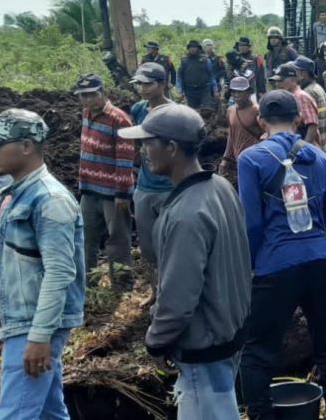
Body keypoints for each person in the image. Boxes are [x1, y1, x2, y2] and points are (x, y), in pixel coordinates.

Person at [119, 104, 250, 420]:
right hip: (230, 333)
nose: (143, 151)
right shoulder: (219, 187)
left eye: (149, 143)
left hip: (203, 347)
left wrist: (157, 342)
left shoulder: (186, 215)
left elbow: (178, 297)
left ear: (172, 148)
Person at [237, 90, 326, 420]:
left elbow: (251, 222)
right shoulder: (323, 159)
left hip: (274, 263)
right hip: (316, 260)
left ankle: (260, 415)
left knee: (257, 352)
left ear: (260, 121)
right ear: (298, 119)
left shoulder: (251, 159)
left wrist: (252, 265)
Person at [0, 109, 85, 419]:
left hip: (34, 322)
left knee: (15, 414)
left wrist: (38, 336)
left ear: (26, 146)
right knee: (50, 413)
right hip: (22, 320)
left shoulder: (50, 200)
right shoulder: (13, 193)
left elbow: (59, 273)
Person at [74, 74, 135, 283]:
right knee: (85, 237)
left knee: (117, 240)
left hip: (113, 193)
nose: (88, 100)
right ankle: (87, 281)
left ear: (103, 93)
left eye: (92, 95)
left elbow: (125, 161)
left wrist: (122, 194)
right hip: (90, 190)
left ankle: (121, 284)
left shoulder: (120, 120)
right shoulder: (86, 113)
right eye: (83, 96)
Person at [129, 63, 174, 305]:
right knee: (147, 246)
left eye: (148, 83)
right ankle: (155, 291)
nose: (142, 89)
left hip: (170, 188)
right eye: (139, 84)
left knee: (171, 244)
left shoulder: (175, 113)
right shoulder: (137, 110)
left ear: (162, 84)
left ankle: (172, 292)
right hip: (145, 187)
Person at [219, 77, 264, 177]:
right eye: (234, 92)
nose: (236, 95)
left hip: (255, 159)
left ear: (248, 92)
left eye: (240, 92)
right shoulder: (231, 110)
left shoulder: (257, 110)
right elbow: (231, 135)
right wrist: (225, 159)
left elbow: (266, 135)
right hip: (238, 159)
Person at [269, 63, 320, 145]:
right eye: (276, 81)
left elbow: (312, 125)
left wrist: (303, 147)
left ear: (293, 80)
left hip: (304, 148)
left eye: (281, 81)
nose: (277, 84)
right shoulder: (286, 97)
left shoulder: (301, 97)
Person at [295, 56, 326, 151]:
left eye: (296, 72)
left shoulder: (307, 93)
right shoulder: (317, 87)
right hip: (322, 142)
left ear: (303, 74)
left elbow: (312, 125)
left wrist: (303, 147)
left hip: (313, 145)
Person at [176, 39, 218, 109]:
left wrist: (215, 90)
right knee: (192, 113)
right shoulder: (184, 61)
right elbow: (179, 77)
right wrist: (179, 91)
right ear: (188, 48)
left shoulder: (206, 60)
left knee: (207, 111)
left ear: (198, 48)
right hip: (190, 91)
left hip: (204, 90)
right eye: (191, 47)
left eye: (195, 47)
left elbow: (211, 76)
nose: (193, 49)